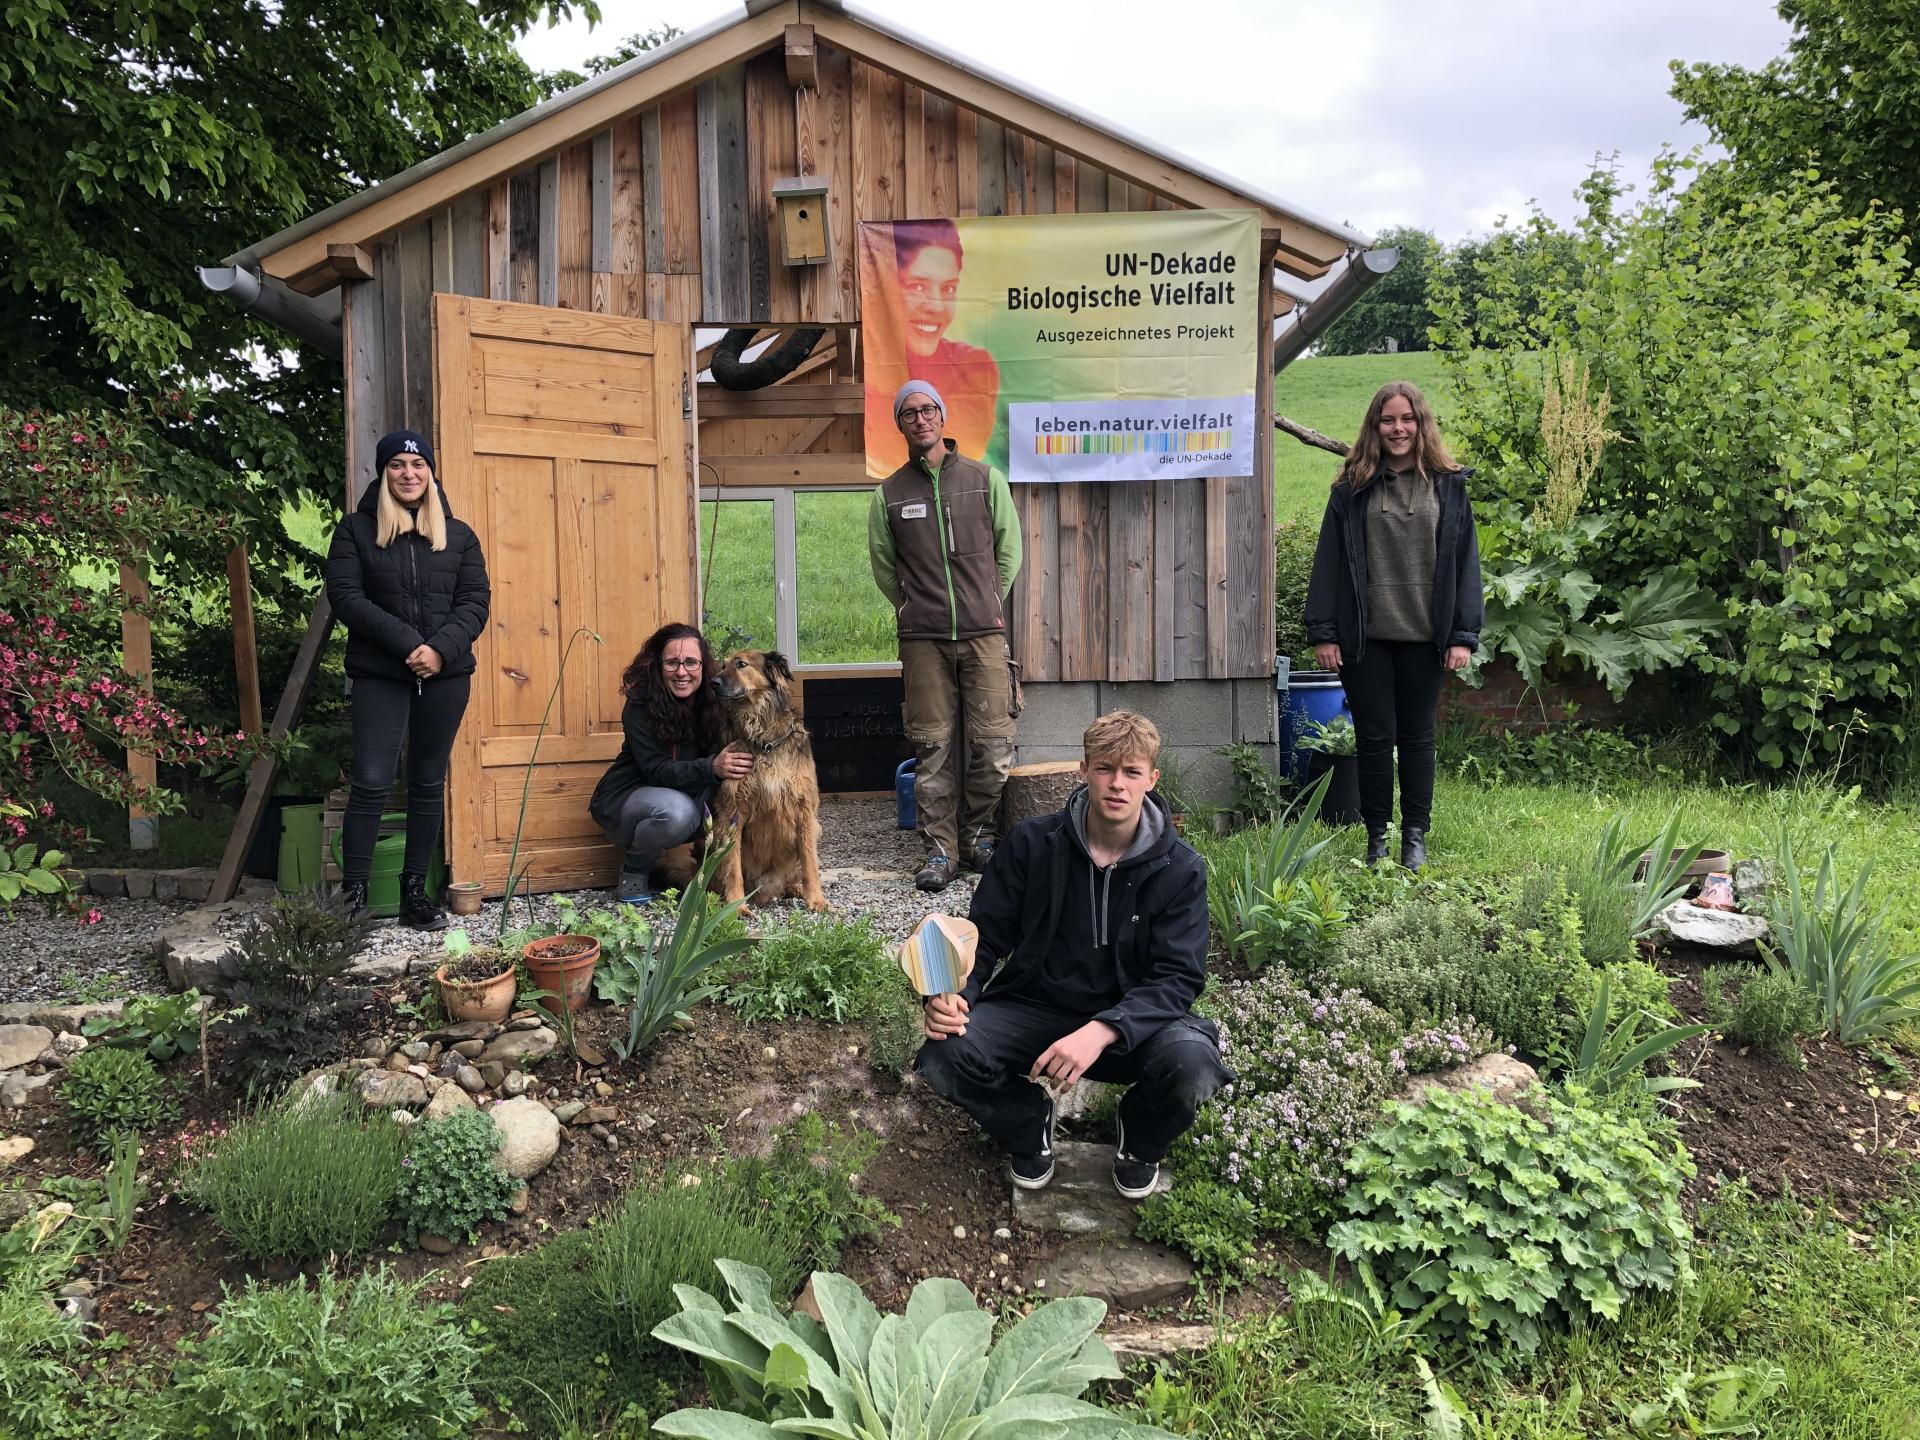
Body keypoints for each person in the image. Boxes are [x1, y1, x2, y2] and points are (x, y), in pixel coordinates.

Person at [916, 711, 1232, 1199]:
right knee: (944, 1052)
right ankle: (1027, 1122)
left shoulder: (1181, 869)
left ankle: (1140, 1139)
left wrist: (1103, 1030)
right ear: (1083, 771)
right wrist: (950, 995)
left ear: (1152, 779)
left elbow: (1179, 978)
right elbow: (982, 936)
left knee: (1193, 1065)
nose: (1117, 785)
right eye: (1105, 769)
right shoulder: (1030, 844)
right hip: (1036, 1008)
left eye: (1131, 772)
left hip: (1132, 1027)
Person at [1303, 381, 1484, 870]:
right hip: (1366, 639)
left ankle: (1414, 837)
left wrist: (1463, 635)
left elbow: (1467, 563)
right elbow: (1330, 563)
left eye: (1407, 419)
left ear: (1421, 424)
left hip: (1426, 639)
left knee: (1419, 738)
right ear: (1375, 427)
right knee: (1374, 739)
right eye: (1388, 420)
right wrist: (1324, 631)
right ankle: (1377, 837)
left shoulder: (1448, 485)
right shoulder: (1351, 490)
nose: (1398, 428)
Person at [325, 429, 491, 929]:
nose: (408, 474)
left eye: (417, 466)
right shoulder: (354, 530)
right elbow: (347, 598)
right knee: (373, 782)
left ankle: (414, 896)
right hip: (382, 675)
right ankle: (352, 899)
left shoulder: (459, 536)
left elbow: (475, 602)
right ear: (384, 473)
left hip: (446, 676)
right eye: (397, 464)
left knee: (424, 783)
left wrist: (440, 650)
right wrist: (408, 646)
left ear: (431, 473)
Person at [869, 380, 1023, 892]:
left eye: (927, 408)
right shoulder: (889, 494)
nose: (920, 418)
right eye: (908, 412)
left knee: (994, 745)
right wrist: (916, 608)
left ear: (942, 413)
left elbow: (1009, 552)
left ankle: (976, 836)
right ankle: (939, 852)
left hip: (983, 636)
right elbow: (885, 569)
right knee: (932, 745)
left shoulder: (984, 479)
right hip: (923, 641)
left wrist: (984, 601)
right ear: (900, 425)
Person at [588, 622, 753, 904]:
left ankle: (733, 876)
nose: (681, 672)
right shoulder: (640, 705)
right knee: (679, 813)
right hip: (631, 802)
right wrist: (712, 767)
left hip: (691, 799)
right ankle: (634, 873)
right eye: (672, 662)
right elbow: (656, 770)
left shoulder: (715, 701)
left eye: (691, 662)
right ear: (657, 664)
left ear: (703, 665)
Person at [863, 220, 1002, 476]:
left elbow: (967, 465)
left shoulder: (976, 370)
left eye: (948, 288)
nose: (936, 306)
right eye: (918, 286)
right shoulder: (871, 379)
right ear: (889, 287)